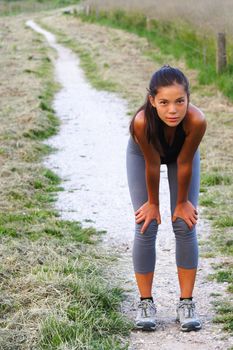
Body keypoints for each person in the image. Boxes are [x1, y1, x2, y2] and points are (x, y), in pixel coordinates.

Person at [126, 65, 207, 332]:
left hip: (182, 156)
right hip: (143, 155)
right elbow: (152, 165)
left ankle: (186, 303)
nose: (173, 110)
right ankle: (145, 302)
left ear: (188, 99)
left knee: (185, 223)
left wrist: (182, 203)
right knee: (145, 224)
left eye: (179, 101)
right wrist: (153, 204)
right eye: (164, 102)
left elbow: (183, 162)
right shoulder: (141, 122)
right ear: (152, 101)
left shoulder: (196, 121)